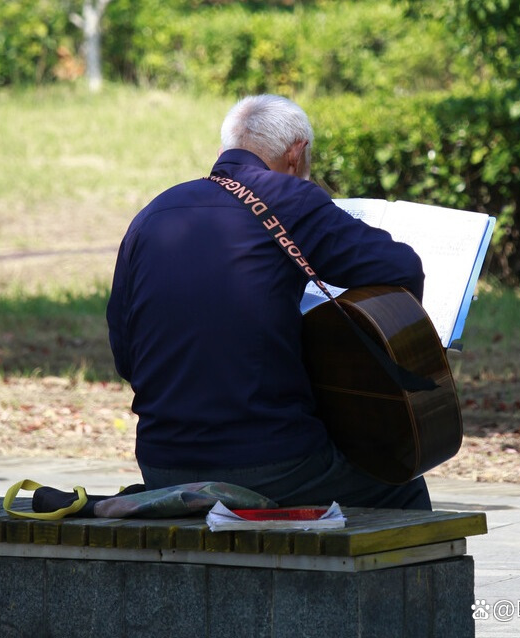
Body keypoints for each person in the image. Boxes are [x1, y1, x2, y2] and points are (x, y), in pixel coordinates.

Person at [106, 94, 431, 509]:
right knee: (401, 487)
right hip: (271, 463)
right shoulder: (290, 197)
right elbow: (400, 268)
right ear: (297, 154)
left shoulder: (153, 214)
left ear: (224, 150)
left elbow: (126, 357)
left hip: (161, 463)